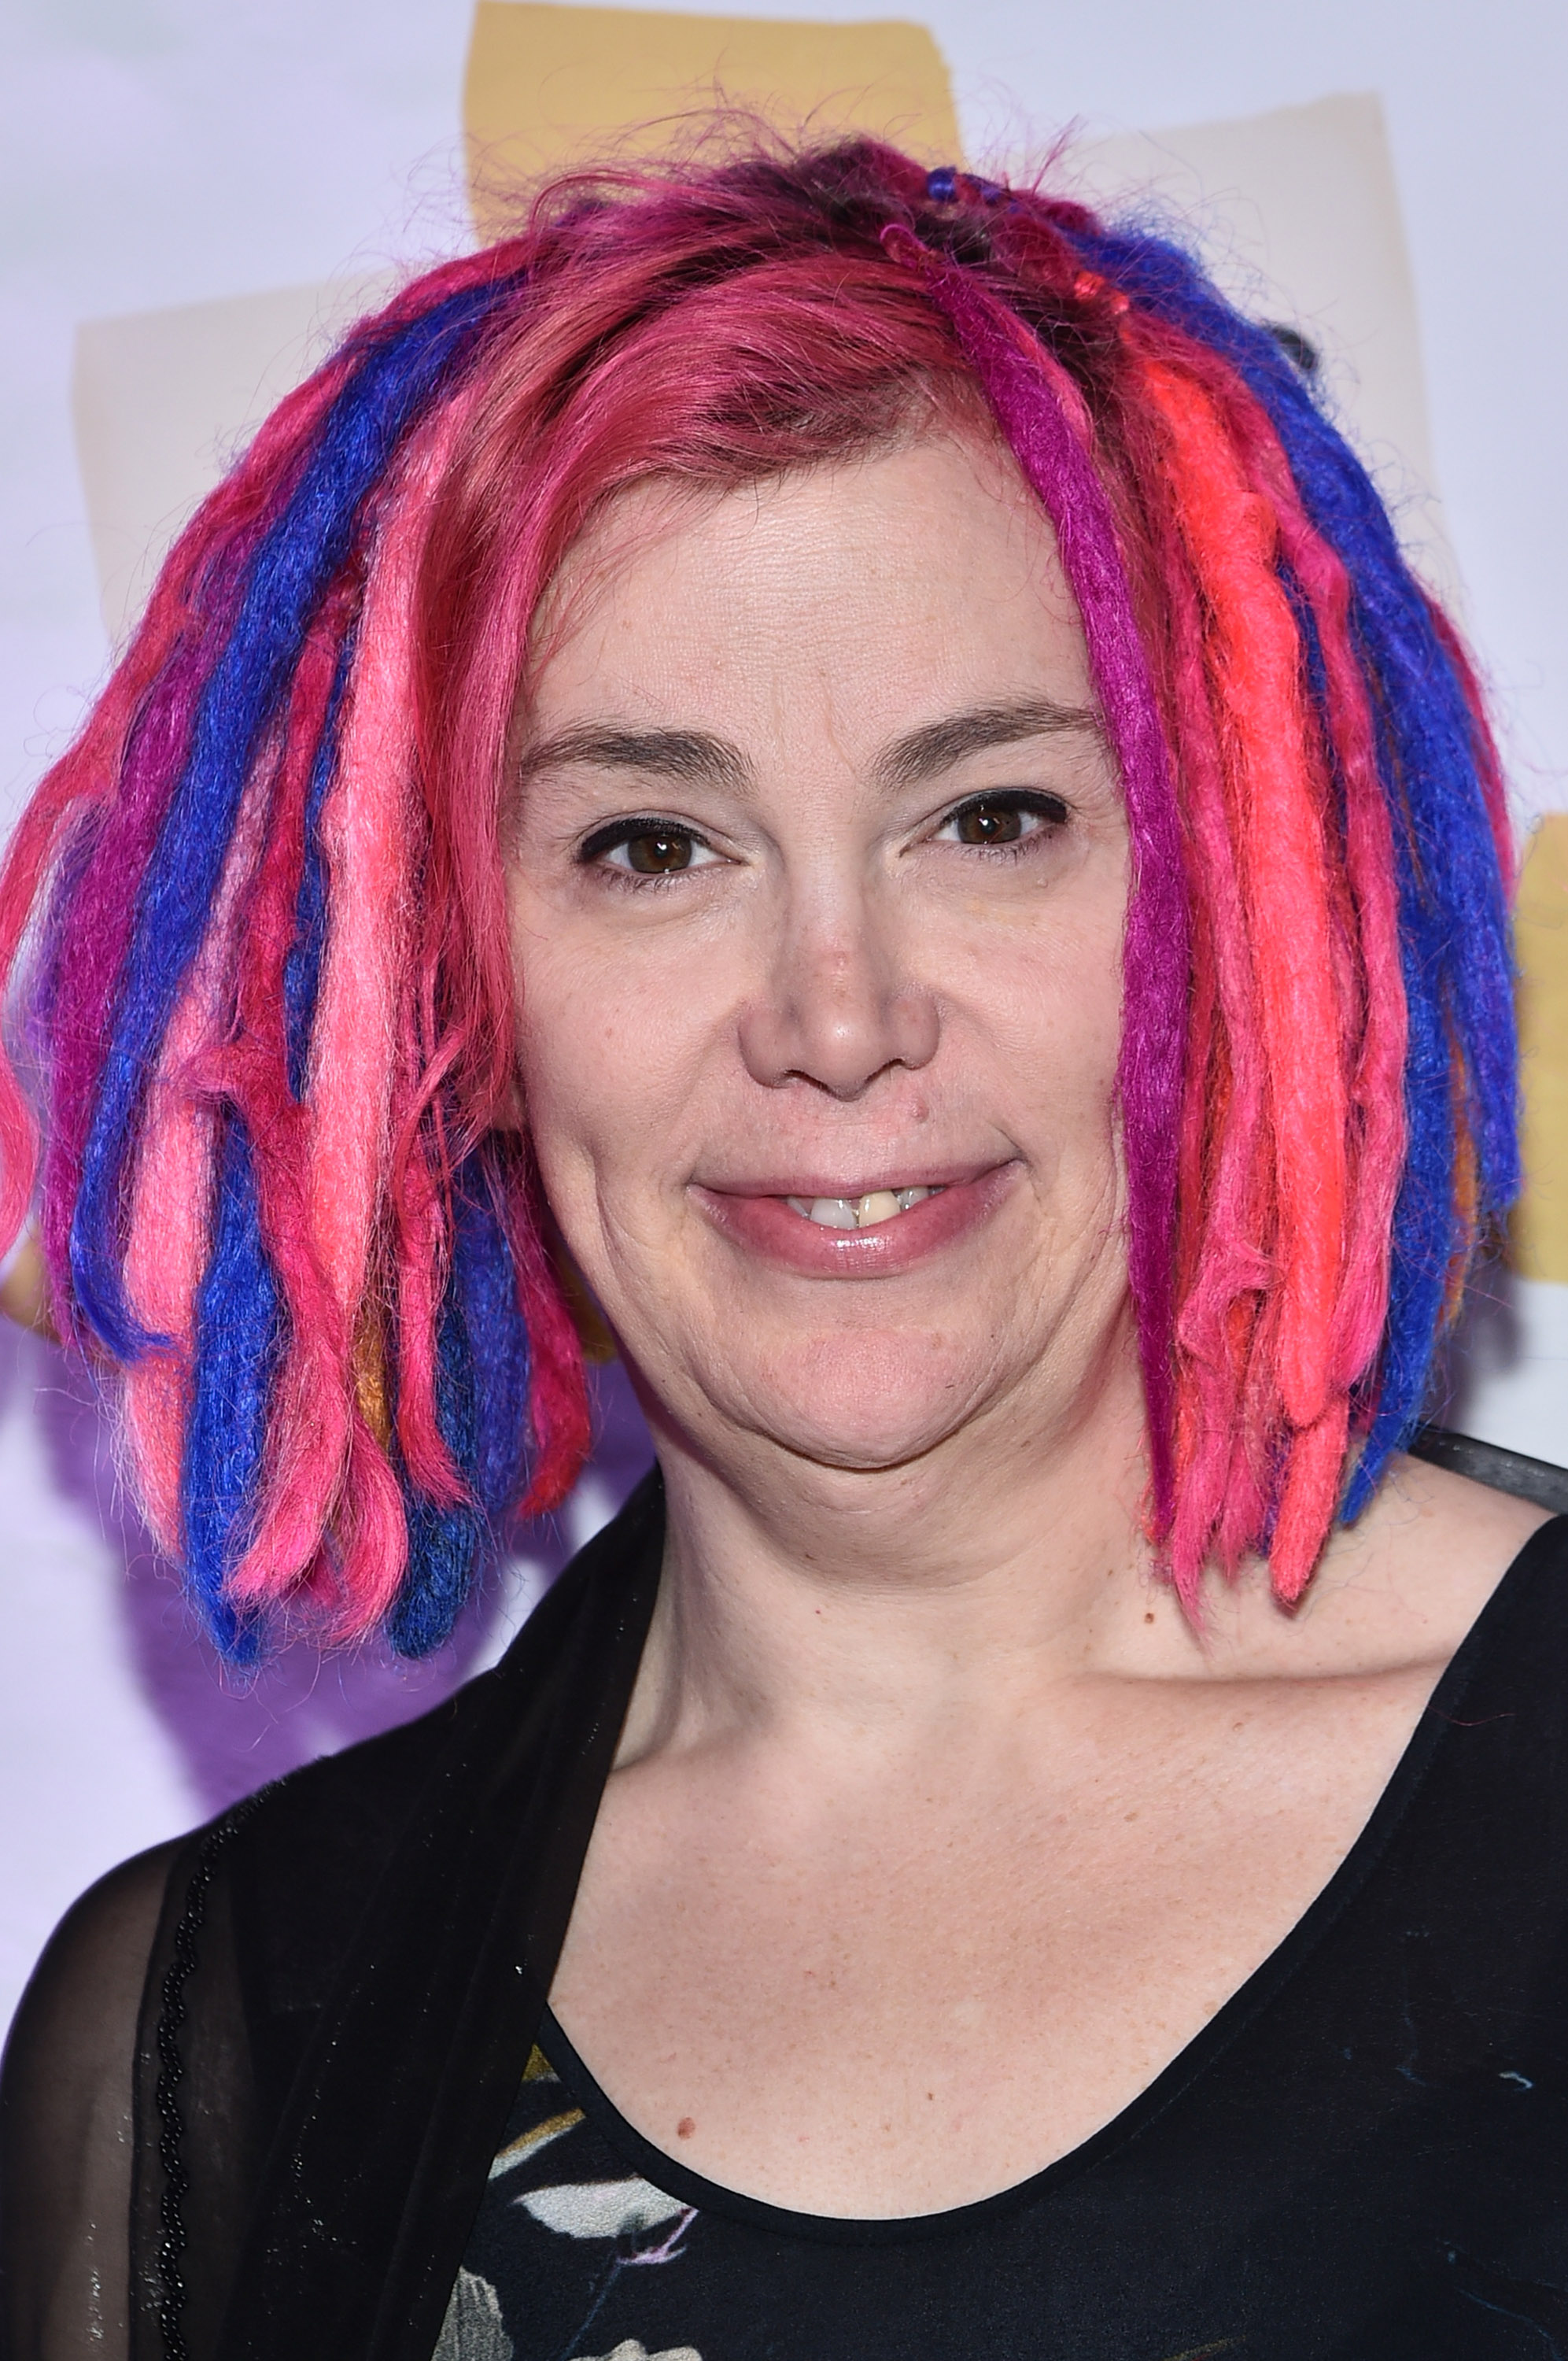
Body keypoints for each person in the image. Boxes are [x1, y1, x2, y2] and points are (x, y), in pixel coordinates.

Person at [1, 132, 1566, 2361]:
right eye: (652, 845)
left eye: (992, 817)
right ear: (439, 987)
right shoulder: (230, 2018)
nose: (838, 1018)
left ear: (1233, 902)